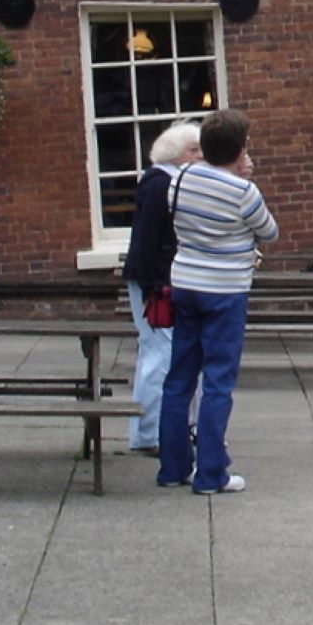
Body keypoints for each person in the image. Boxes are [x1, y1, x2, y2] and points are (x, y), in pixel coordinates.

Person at [157, 109, 277, 496]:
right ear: (240, 151)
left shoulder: (181, 179)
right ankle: (211, 475)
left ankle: (173, 467)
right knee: (218, 382)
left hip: (185, 283)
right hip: (225, 290)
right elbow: (269, 231)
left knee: (179, 378)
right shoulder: (244, 192)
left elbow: (174, 215)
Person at [123, 121, 201, 456]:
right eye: (193, 150)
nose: (199, 156)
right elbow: (156, 241)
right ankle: (151, 433)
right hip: (155, 283)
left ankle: (148, 431)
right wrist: (158, 286)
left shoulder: (161, 181)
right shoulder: (162, 184)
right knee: (160, 355)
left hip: (153, 280)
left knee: (155, 354)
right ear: (175, 153)